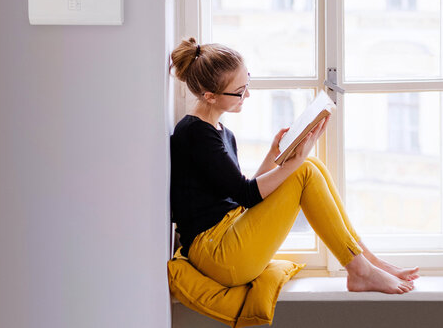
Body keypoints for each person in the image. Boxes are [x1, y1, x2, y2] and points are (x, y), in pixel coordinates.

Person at [169, 37, 420, 294]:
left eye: (248, 83)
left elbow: (240, 196)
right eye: (240, 90)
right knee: (305, 169)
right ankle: (360, 271)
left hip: (225, 236)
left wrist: (273, 153)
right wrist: (294, 162)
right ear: (210, 96)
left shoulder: (220, 131)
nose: (248, 94)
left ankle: (369, 262)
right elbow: (246, 194)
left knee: (311, 165)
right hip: (217, 255)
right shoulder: (194, 133)